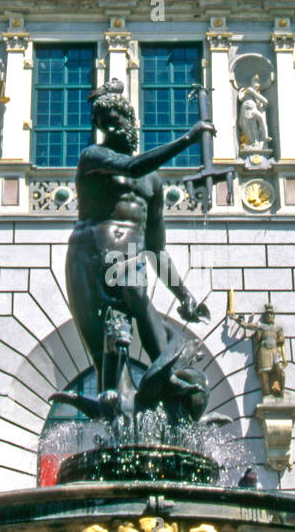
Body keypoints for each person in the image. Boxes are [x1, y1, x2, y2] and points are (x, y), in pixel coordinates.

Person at [65, 79, 213, 392]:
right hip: (91, 254)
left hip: (128, 259)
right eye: (105, 125)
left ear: (131, 121)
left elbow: (156, 248)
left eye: (116, 122)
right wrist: (189, 139)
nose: (113, 130)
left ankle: (164, 378)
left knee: (134, 292)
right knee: (106, 350)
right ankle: (162, 374)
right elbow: (132, 167)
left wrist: (182, 294)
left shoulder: (153, 184)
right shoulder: (93, 157)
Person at [229, 303, 287, 397]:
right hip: (264, 351)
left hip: (274, 351)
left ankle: (282, 390)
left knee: (280, 371)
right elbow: (247, 325)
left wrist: (279, 340)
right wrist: (235, 318)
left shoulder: (277, 328)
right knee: (264, 373)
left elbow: (281, 338)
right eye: (267, 314)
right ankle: (267, 393)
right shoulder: (261, 326)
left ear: (274, 316)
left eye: (271, 314)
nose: (269, 315)